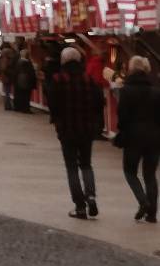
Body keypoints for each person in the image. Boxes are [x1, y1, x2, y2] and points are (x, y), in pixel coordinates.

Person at [46, 43, 104, 220]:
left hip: (67, 130)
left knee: (71, 166)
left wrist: (57, 120)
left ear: (63, 61)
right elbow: (99, 103)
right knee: (86, 164)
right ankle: (91, 196)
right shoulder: (89, 79)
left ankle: (80, 206)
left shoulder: (57, 80)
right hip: (87, 129)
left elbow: (53, 105)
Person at [115, 54, 160, 223]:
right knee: (150, 174)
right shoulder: (156, 91)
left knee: (129, 171)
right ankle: (152, 213)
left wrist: (122, 132)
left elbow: (122, 116)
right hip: (154, 138)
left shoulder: (126, 91)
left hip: (133, 137)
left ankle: (143, 201)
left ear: (131, 69)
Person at [12, 40, 37, 113]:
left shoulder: (18, 62)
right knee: (26, 95)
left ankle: (19, 107)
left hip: (19, 81)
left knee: (20, 94)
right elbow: (31, 73)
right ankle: (26, 108)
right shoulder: (27, 63)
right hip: (26, 81)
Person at [0, 40, 16, 111]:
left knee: (7, 91)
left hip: (4, 74)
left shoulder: (2, 53)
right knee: (8, 91)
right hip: (7, 74)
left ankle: (7, 105)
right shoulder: (8, 52)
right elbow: (5, 65)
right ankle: (8, 105)